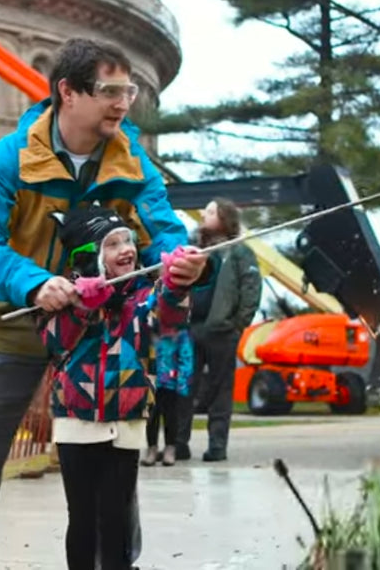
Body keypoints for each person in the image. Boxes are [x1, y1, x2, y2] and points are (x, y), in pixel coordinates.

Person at [0, 37, 212, 570]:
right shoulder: (8, 160)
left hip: (102, 341)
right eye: (109, 90)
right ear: (68, 92)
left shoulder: (133, 163)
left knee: (115, 462)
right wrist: (34, 284)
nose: (123, 102)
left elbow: (163, 231)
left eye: (127, 90)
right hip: (13, 330)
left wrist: (183, 264)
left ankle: (115, 562)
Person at [38, 204, 193, 569]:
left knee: (116, 514)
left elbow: (170, 320)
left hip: (127, 420)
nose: (126, 249)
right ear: (90, 256)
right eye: (112, 244)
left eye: (128, 241)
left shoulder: (142, 297)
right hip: (75, 421)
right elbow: (54, 344)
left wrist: (176, 286)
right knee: (82, 517)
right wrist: (82, 306)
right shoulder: (64, 295)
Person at [174, 198, 262, 463]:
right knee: (184, 388)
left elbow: (251, 289)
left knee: (221, 390)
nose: (203, 214)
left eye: (211, 212)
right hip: (190, 329)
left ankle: (217, 446)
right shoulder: (191, 248)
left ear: (225, 218)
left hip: (222, 332)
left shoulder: (239, 253)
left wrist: (237, 325)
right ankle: (179, 443)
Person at [140, 300, 194, 467]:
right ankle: (152, 448)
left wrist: (183, 382)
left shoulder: (181, 334)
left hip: (171, 382)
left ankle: (170, 448)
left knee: (171, 416)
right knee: (152, 416)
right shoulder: (149, 332)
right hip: (152, 382)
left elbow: (186, 358)